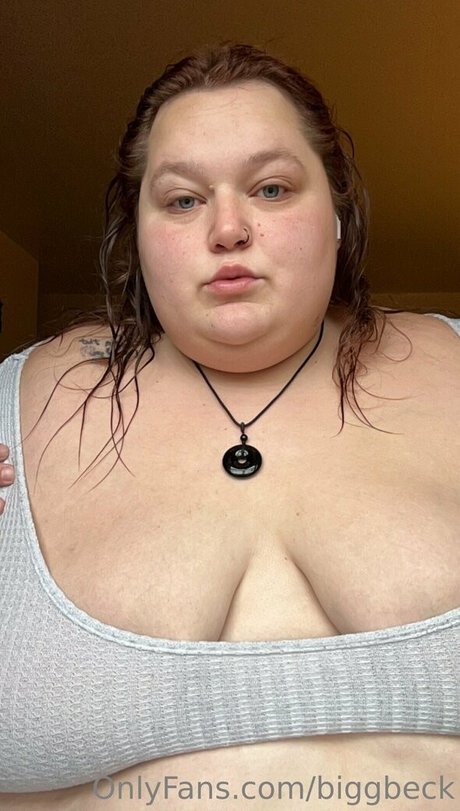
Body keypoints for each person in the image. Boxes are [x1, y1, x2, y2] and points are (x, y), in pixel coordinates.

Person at [0, 42, 458, 810]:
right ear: (137, 234)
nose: (228, 228)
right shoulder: (13, 407)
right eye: (183, 200)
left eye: (271, 188)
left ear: (338, 213)